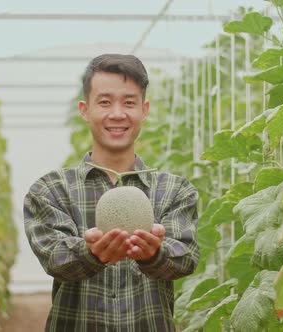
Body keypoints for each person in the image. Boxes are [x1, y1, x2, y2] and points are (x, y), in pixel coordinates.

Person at [23, 53, 199, 331]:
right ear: (85, 109)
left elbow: (185, 258)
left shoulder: (175, 190)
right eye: (104, 102)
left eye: (129, 102)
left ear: (145, 109)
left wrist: (154, 255)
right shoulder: (50, 190)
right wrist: (91, 253)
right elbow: (54, 258)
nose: (117, 114)